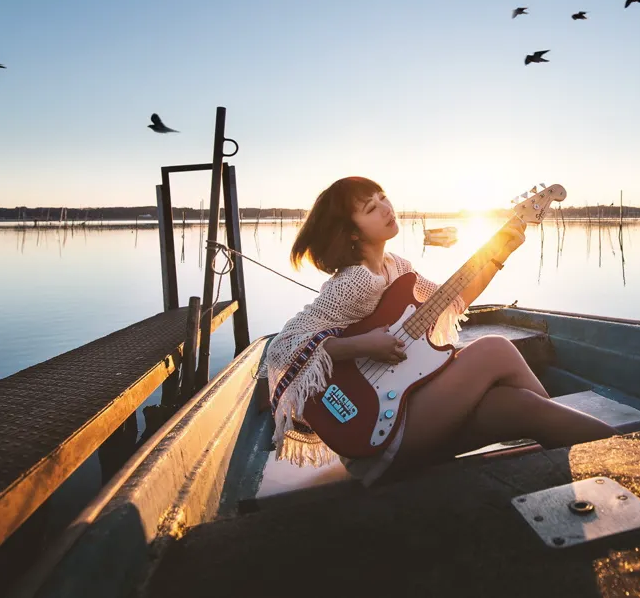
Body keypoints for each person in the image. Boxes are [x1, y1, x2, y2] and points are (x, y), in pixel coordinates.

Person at [263, 176, 616, 486]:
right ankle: (625, 456)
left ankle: (624, 457)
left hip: (407, 406)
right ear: (353, 231)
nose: (386, 208)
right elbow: (282, 348)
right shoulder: (354, 282)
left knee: (518, 406)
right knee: (494, 349)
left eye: (383, 197)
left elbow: (454, 298)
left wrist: (499, 250)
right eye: (371, 208)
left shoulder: (396, 267)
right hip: (375, 432)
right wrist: (364, 345)